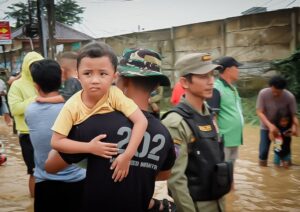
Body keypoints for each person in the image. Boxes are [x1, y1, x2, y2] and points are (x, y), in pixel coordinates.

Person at [45, 47, 176, 211]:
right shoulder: (164, 133)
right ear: (156, 85)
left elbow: (50, 166)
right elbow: (162, 175)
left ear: (121, 79)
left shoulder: (93, 124)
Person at [51, 42, 148, 183]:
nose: (95, 80)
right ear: (78, 75)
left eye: (103, 74)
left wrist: (127, 156)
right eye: (87, 73)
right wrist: (90, 147)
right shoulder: (72, 105)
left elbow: (141, 121)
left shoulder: (114, 94)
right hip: (84, 160)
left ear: (114, 76)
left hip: (115, 160)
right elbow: (56, 142)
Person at [162, 53, 233, 212]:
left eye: (212, 75)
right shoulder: (176, 123)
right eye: (203, 76)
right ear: (184, 82)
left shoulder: (209, 114)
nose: (211, 81)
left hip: (218, 202)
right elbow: (176, 180)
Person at [25, 59, 86, 212]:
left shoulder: (31, 111)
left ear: (36, 86)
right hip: (78, 182)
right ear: (61, 80)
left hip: (45, 184)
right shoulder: (76, 107)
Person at [7, 51, 44, 197]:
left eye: (38, 66)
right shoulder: (17, 85)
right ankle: (34, 203)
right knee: (34, 171)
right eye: (32, 66)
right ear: (25, 68)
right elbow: (15, 109)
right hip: (28, 134)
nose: (35, 69)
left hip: (50, 133)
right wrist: (37, 99)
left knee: (53, 170)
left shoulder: (46, 81)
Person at [208, 56, 244, 180]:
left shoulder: (232, 88)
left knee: (230, 169)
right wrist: (217, 138)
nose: (238, 70)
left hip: (235, 137)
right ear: (228, 70)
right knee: (222, 171)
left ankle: (231, 189)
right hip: (224, 138)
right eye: (236, 67)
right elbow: (212, 116)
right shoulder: (217, 88)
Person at [256, 75, 299, 166]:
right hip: (266, 126)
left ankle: (287, 166)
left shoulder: (289, 97)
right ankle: (263, 171)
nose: (275, 94)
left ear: (283, 89)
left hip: (283, 128)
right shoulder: (263, 94)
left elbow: (293, 115)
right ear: (270, 86)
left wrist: (294, 127)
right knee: (263, 152)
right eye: (274, 91)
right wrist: (270, 126)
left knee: (284, 149)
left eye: (278, 92)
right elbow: (259, 112)